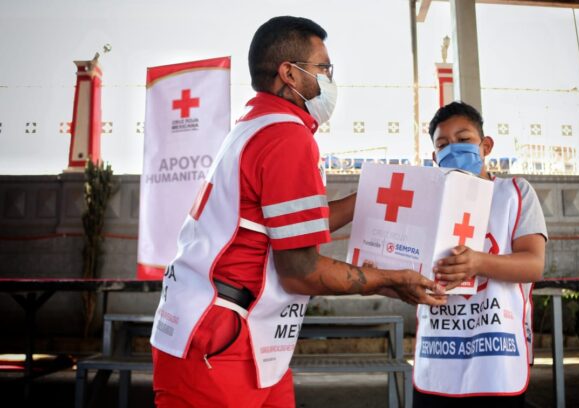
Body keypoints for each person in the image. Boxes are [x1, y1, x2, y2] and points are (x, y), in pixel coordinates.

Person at [150, 16, 445, 408]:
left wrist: (367, 199)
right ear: (289, 73)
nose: (330, 81)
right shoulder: (286, 135)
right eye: (324, 68)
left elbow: (290, 226)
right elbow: (301, 270)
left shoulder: (255, 124)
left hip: (245, 338)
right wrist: (388, 280)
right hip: (219, 345)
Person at [412, 101, 548, 407]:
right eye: (443, 144)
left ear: (485, 145)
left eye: (464, 140)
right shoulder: (427, 199)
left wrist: (477, 262)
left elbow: (534, 264)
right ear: (435, 157)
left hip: (497, 354)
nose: (454, 149)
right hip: (438, 352)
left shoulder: (515, 193)